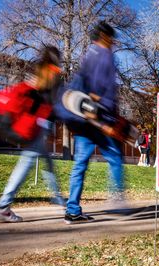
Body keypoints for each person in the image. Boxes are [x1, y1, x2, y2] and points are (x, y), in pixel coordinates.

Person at [60, 21, 126, 224]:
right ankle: (117, 199)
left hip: (82, 119)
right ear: (105, 37)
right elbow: (103, 93)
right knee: (115, 158)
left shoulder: (87, 56)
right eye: (111, 38)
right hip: (99, 120)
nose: (113, 42)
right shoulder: (105, 57)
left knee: (80, 164)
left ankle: (72, 210)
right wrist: (108, 122)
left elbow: (80, 92)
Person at [0, 46, 65, 223]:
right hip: (33, 125)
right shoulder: (50, 73)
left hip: (37, 124)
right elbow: (46, 100)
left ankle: (57, 197)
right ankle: (3, 206)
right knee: (27, 162)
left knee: (46, 159)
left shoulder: (41, 70)